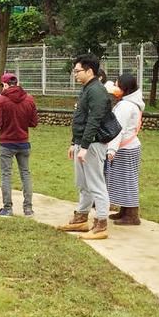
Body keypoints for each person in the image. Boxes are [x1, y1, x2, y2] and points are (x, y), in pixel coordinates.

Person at [57, 54, 113, 240]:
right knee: (83, 183)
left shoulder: (96, 90)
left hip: (93, 144)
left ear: (89, 71)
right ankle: (81, 218)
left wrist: (85, 146)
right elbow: (80, 119)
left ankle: (101, 224)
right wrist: (75, 143)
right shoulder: (87, 88)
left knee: (96, 184)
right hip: (83, 143)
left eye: (77, 71)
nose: (75, 74)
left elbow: (94, 120)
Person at [0, 72, 38, 216]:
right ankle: (28, 208)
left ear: (5, 84)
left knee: (6, 174)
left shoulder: (1, 100)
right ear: (17, 83)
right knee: (25, 174)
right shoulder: (29, 99)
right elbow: (34, 122)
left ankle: (7, 208)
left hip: (7, 142)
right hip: (24, 142)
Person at [105, 74, 145, 225]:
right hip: (128, 146)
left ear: (125, 88)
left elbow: (117, 129)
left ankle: (132, 215)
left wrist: (112, 150)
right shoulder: (130, 103)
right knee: (123, 180)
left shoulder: (126, 106)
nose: (115, 87)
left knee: (127, 180)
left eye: (117, 85)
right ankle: (125, 211)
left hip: (125, 148)